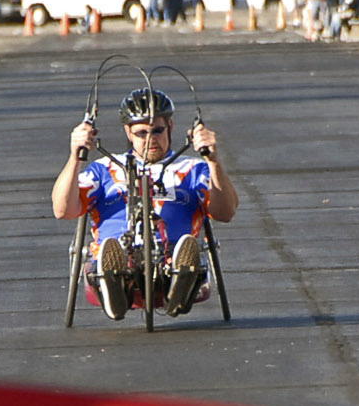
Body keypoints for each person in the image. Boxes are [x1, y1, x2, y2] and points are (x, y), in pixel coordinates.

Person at [52, 88, 238, 320]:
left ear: (170, 126)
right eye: (141, 133)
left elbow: (225, 212)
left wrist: (213, 161)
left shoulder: (194, 168)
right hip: (118, 251)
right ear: (128, 132)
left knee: (183, 252)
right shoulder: (104, 168)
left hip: (171, 255)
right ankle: (114, 282)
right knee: (113, 252)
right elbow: (62, 210)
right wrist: (74, 157)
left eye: (157, 131)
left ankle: (180, 285)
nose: (150, 140)